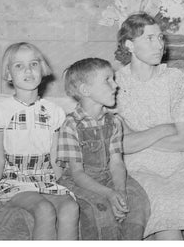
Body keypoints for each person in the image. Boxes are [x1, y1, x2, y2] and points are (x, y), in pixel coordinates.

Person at [115, 13, 184, 240]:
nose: (159, 45)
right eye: (150, 38)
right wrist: (165, 128)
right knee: (165, 218)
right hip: (139, 169)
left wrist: (139, 136)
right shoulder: (116, 83)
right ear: (129, 45)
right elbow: (123, 144)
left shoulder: (175, 79)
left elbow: (183, 142)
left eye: (160, 37)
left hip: (180, 166)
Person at [0, 42, 79, 240]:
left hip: (45, 179)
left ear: (42, 69)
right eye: (19, 65)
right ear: (9, 74)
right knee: (44, 209)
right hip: (15, 181)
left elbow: (55, 156)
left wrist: (59, 182)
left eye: (34, 64)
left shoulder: (54, 112)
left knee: (70, 206)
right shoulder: (0, 112)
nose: (28, 69)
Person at [56, 58, 149, 240]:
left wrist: (120, 190)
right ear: (85, 90)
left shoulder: (113, 121)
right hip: (79, 182)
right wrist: (109, 194)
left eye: (113, 79)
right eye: (107, 80)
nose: (115, 85)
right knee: (101, 208)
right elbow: (77, 174)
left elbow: (116, 163)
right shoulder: (71, 125)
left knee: (137, 201)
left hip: (107, 177)